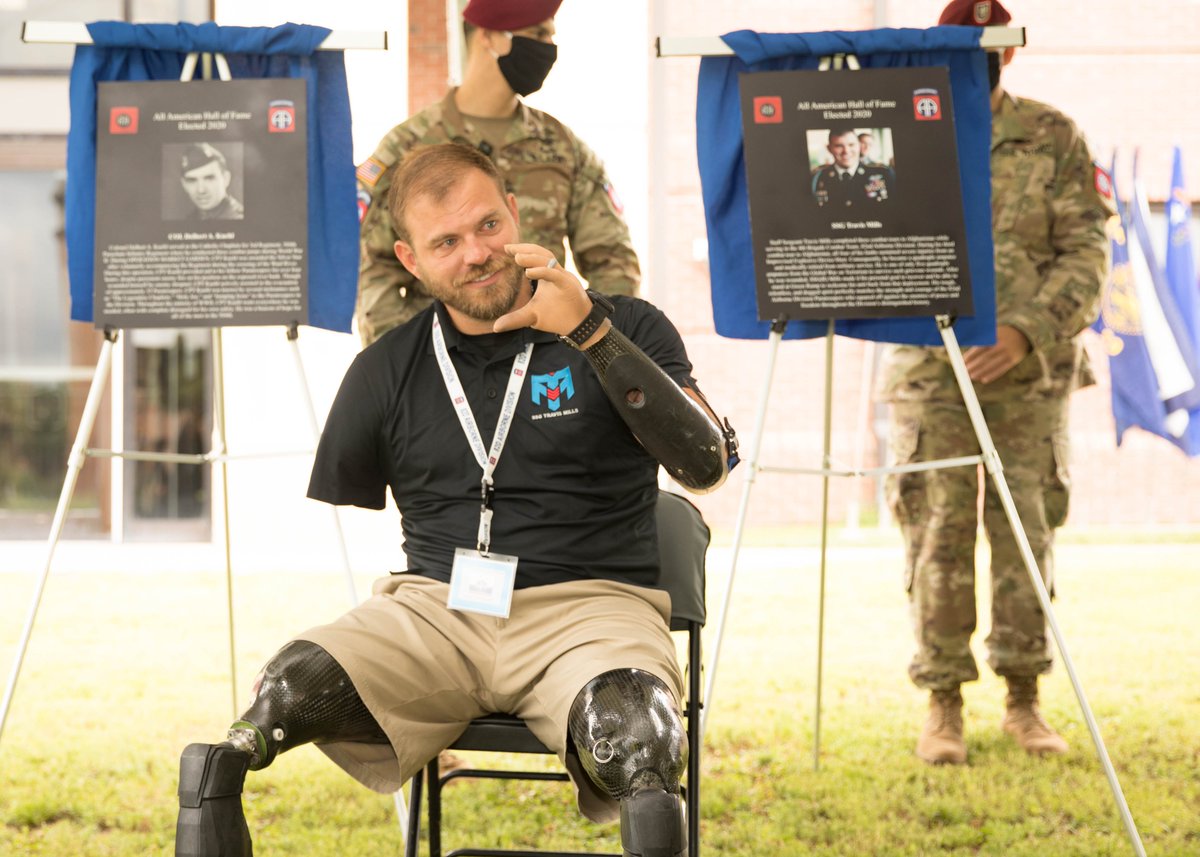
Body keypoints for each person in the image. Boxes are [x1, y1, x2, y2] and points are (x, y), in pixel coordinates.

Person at [174, 143, 738, 857]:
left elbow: (705, 463)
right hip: (437, 608)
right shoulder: (385, 368)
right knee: (276, 697)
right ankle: (219, 777)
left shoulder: (626, 324)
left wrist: (588, 331)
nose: (477, 253)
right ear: (411, 261)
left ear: (516, 211)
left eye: (488, 225)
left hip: (591, 605)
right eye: (447, 242)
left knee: (641, 737)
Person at [876, 0, 1114, 765]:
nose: (972, 59)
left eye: (985, 46)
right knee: (936, 534)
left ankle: (1024, 699)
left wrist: (1026, 331)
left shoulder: (1053, 136)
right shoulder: (901, 136)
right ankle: (942, 704)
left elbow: (1088, 253)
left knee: (1026, 534)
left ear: (1005, 53)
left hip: (1028, 377)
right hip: (928, 374)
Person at [354, 0, 639, 348]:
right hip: (443, 360)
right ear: (489, 37)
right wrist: (408, 363)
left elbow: (612, 259)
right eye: (538, 34)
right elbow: (373, 266)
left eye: (550, 35)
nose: (549, 48)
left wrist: (593, 345)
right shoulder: (406, 148)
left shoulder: (562, 146)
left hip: (546, 360)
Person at [811, 127, 895, 209]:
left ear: (858, 146)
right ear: (829, 148)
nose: (846, 151)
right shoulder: (817, 178)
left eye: (851, 145)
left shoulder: (883, 174)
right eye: (839, 146)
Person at [178, 143, 243, 220]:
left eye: (209, 178)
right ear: (184, 184)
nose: (201, 190)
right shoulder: (190, 219)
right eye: (192, 180)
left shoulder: (238, 218)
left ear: (226, 179)